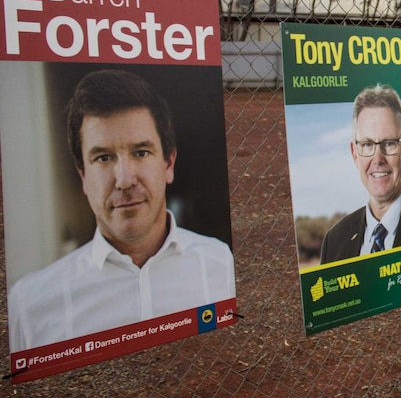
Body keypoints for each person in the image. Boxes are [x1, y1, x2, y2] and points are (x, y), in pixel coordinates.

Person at [8, 69, 235, 352]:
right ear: (83, 176)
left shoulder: (221, 264)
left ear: (168, 164)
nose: (125, 180)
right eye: (103, 158)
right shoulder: (30, 304)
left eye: (141, 152)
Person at [319, 84, 401, 264]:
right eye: (367, 145)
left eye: (388, 143)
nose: (378, 158)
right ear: (354, 154)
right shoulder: (334, 241)